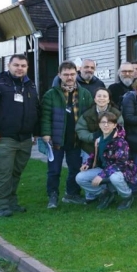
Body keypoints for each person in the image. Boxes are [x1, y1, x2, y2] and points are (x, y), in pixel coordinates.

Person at [0, 55, 40, 217]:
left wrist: (35, 132)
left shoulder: (30, 86)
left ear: (27, 68)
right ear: (9, 65)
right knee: (3, 173)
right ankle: (1, 206)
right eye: (16, 65)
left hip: (24, 139)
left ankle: (11, 202)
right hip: (2, 138)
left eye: (23, 65)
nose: (19, 68)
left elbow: (35, 110)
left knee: (16, 173)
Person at [42, 61, 94, 208]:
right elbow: (45, 116)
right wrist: (46, 134)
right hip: (56, 140)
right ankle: (52, 196)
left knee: (76, 169)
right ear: (59, 75)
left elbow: (90, 116)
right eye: (66, 74)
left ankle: (72, 194)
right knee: (54, 170)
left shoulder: (85, 94)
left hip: (76, 140)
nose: (69, 77)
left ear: (76, 74)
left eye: (72, 74)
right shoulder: (51, 94)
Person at [75, 112, 137, 210]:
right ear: (99, 125)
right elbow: (94, 154)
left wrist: (101, 175)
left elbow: (121, 163)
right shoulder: (99, 139)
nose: (106, 125)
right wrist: (87, 163)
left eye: (109, 122)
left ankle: (127, 197)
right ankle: (105, 194)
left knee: (114, 178)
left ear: (115, 125)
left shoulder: (120, 141)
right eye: (103, 122)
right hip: (104, 169)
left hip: (121, 171)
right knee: (80, 177)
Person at [76, 88, 124, 158]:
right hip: (90, 149)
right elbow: (80, 130)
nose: (101, 98)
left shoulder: (116, 113)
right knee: (89, 168)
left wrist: (107, 138)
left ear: (108, 100)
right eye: (99, 96)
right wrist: (93, 137)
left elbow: (121, 130)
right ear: (95, 99)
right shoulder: (87, 114)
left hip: (110, 149)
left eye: (104, 96)